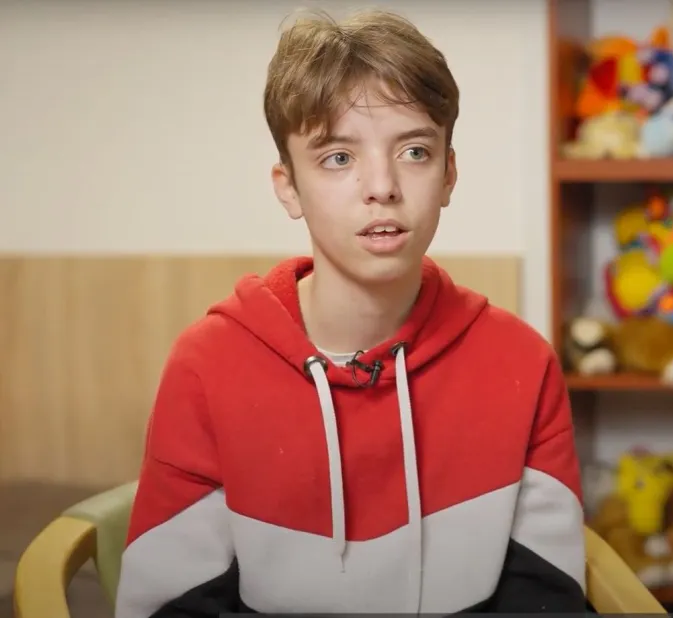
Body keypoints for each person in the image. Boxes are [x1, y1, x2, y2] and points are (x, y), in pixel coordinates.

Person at [114, 8, 586, 617]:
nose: (382, 186)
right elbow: (170, 606)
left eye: (415, 151)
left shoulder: (521, 363)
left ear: (448, 175)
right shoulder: (207, 365)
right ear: (288, 187)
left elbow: (545, 600)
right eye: (338, 158)